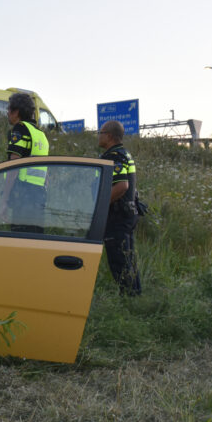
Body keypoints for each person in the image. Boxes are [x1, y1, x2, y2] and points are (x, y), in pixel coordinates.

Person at [98, 120, 141, 296]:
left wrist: (101, 205)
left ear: (109, 135)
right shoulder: (125, 153)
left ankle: (129, 299)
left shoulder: (113, 156)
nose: (98, 136)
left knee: (119, 260)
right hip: (128, 213)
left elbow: (122, 186)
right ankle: (135, 297)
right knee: (128, 259)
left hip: (118, 216)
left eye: (100, 132)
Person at [0, 93, 49, 233]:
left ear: (17, 112)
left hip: (23, 197)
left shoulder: (20, 129)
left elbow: (13, 168)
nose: (7, 113)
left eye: (9, 109)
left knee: (20, 243)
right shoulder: (41, 134)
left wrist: (4, 199)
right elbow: (47, 174)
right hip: (39, 196)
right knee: (35, 244)